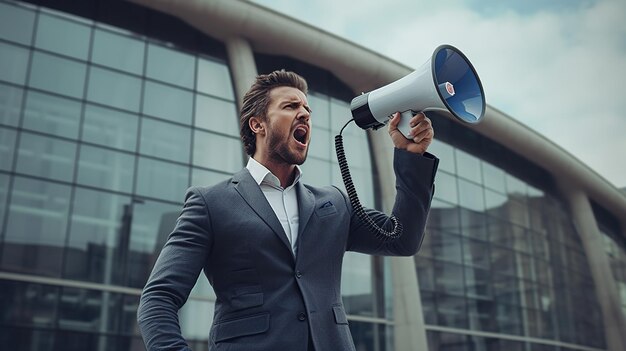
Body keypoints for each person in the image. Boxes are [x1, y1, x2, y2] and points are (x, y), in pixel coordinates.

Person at [137, 70, 439, 351]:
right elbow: (158, 299)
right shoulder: (210, 204)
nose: (305, 114)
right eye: (291, 106)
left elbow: (401, 239)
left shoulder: (334, 203)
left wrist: (410, 156)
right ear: (258, 124)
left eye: (307, 109)